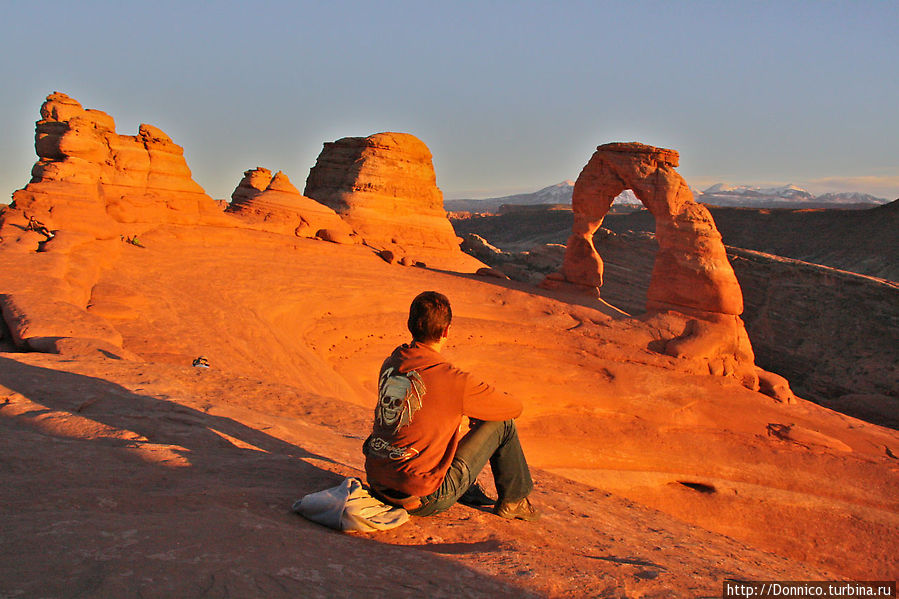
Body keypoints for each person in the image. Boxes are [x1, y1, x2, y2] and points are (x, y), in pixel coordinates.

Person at [363, 291, 539, 521]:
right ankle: (514, 501)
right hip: (423, 498)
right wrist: (479, 410)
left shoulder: (392, 362)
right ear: (446, 331)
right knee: (503, 424)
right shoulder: (453, 379)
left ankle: (468, 488)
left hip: (377, 482)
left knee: (438, 422)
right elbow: (513, 408)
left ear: (410, 325)